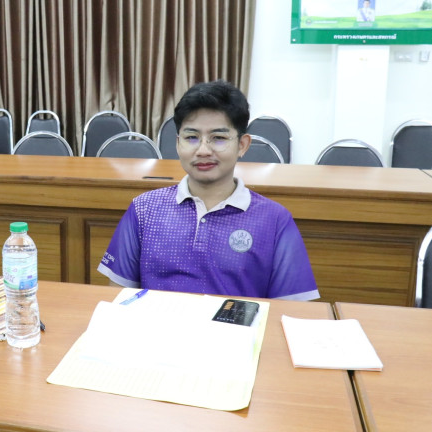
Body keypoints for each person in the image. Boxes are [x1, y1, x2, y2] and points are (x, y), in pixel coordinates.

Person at [97, 80, 319, 301]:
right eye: (191, 137)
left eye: (218, 138)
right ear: (178, 143)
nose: (203, 150)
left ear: (242, 145)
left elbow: (291, 308)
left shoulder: (275, 220)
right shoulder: (144, 209)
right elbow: (119, 298)